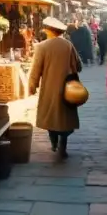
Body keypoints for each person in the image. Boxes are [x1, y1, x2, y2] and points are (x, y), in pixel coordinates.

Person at [28, 17, 82, 159]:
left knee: (51, 116)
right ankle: (63, 145)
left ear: (49, 31)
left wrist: (32, 87)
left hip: (49, 88)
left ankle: (54, 143)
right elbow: (78, 66)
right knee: (64, 117)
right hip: (67, 88)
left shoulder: (42, 46)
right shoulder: (68, 45)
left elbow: (35, 70)